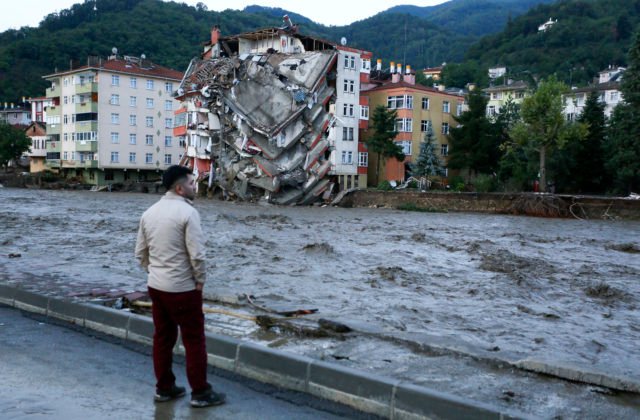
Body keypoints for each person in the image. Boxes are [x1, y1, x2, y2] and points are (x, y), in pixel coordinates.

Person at [135, 165, 225, 408]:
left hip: (156, 286)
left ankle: (164, 388)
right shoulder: (188, 213)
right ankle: (200, 392)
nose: (195, 186)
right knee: (194, 340)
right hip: (182, 288)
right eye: (191, 183)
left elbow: (140, 253)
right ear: (179, 188)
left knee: (162, 338)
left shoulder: (149, 213)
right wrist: (200, 280)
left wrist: (154, 272)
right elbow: (197, 255)